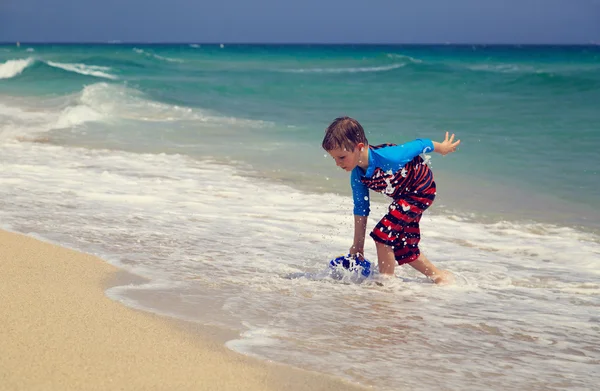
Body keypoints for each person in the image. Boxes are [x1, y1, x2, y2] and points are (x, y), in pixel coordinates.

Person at [322, 116, 460, 284]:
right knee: (404, 247)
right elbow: (361, 209)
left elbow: (419, 144)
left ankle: (386, 285)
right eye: (334, 158)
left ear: (358, 148)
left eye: (341, 157)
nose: (337, 163)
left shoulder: (389, 157)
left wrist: (442, 148)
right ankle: (439, 277)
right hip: (404, 197)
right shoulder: (357, 175)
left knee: (382, 235)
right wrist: (358, 246)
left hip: (421, 189)